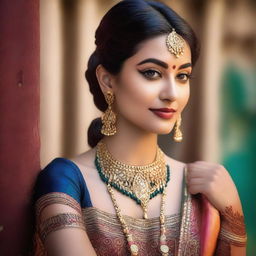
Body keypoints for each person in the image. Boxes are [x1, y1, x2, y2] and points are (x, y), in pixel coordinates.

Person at [32, 0, 247, 255]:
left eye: (182, 76)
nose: (171, 94)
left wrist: (233, 212)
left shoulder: (203, 188)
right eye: (152, 73)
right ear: (107, 80)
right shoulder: (65, 180)